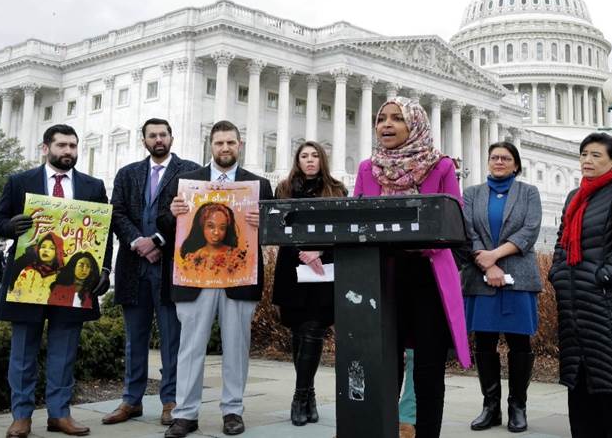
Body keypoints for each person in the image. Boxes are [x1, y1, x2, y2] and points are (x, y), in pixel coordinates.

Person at [352, 96, 470, 438]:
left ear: (415, 124)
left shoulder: (441, 167)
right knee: (383, 364)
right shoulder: (366, 168)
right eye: (381, 118)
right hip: (381, 276)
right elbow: (356, 218)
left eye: (396, 119)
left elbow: (455, 223)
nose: (386, 125)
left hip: (426, 276)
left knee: (428, 370)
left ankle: (427, 432)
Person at [0, 124, 112, 438]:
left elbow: (104, 233)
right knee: (23, 352)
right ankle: (21, 416)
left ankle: (60, 414)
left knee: (64, 351)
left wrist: (105, 271)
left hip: (72, 285)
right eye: (62, 146)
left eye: (73, 146)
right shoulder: (20, 181)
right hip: (27, 283)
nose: (68, 152)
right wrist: (10, 225)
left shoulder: (93, 186)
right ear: (46, 148)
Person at [157, 120, 272, 438]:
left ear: (240, 144)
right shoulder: (186, 181)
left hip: (239, 280)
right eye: (219, 143)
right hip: (195, 280)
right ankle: (185, 414)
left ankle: (233, 410)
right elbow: (164, 225)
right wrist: (173, 211)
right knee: (190, 348)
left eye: (231, 143)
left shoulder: (259, 184)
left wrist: (265, 221)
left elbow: (275, 230)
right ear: (211, 145)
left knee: (237, 348)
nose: (225, 148)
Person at [549, 132, 612, 438]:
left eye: (596, 155)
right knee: (580, 383)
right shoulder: (575, 196)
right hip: (576, 304)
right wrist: (558, 272)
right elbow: (562, 240)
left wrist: (602, 277)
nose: (587, 161)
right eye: (583, 154)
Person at [106, 118, 198, 426]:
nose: (158, 139)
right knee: (135, 338)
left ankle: (170, 400)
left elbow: (192, 216)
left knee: (172, 338)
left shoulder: (190, 172)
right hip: (134, 266)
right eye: (152, 135)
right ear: (143, 140)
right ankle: (131, 400)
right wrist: (137, 241)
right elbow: (116, 212)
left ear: (172, 137)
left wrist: (158, 241)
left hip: (171, 266)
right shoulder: (127, 173)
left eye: (163, 134)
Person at [461, 141, 542, 433]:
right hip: (480, 277)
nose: (498, 162)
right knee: (484, 342)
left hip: (519, 277)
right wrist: (488, 264)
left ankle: (517, 407)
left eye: (505, 158)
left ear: (515, 164)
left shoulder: (529, 193)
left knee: (520, 341)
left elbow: (530, 230)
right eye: (494, 157)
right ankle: (490, 407)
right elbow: (467, 231)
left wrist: (495, 256)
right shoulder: (471, 194)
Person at [271, 141, 347, 426]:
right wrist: (302, 250)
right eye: (304, 156)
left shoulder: (336, 189)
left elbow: (342, 228)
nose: (310, 160)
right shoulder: (284, 188)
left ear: (322, 159)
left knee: (314, 331)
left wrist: (319, 251)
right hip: (292, 266)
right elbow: (277, 227)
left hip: (322, 270)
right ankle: (310, 394)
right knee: (298, 332)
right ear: (297, 160)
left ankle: (299, 396)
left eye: (315, 155)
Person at [7, 233, 65, 305]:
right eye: (43, 247)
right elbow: (15, 295)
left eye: (52, 248)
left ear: (57, 252)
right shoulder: (27, 272)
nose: (45, 250)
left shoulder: (61, 277)